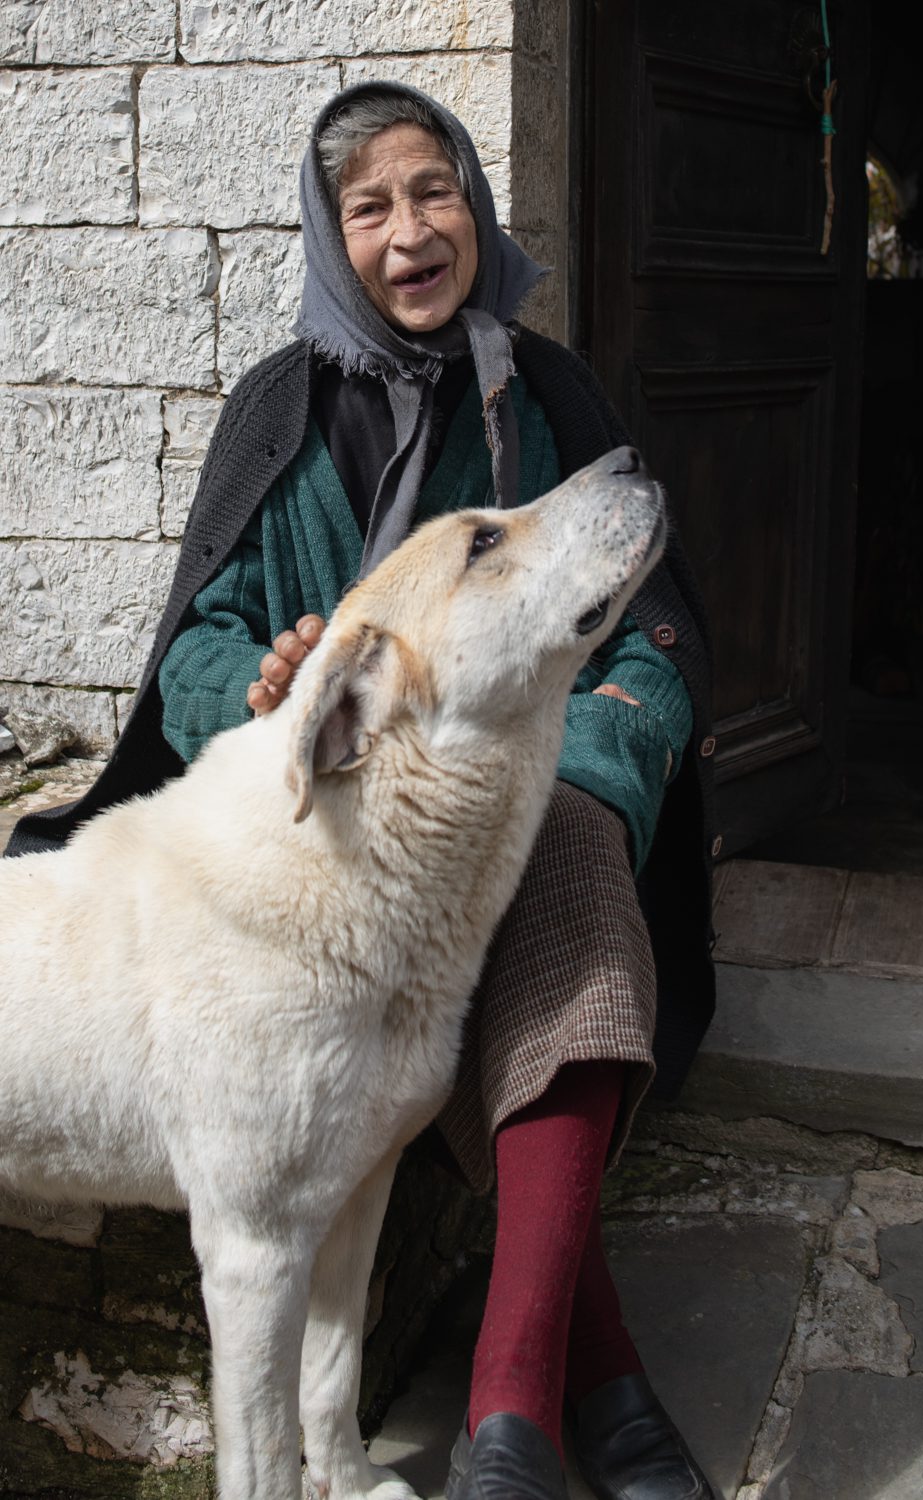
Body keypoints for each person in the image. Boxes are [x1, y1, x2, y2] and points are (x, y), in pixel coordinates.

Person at [6, 81, 718, 1500]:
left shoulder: (549, 393)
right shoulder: (282, 409)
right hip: (344, 842)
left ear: (477, 203)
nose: (411, 233)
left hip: (531, 814)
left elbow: (654, 647)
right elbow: (199, 645)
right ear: (335, 239)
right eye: (372, 207)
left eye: (435, 191)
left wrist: (570, 776)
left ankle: (514, 1414)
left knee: (572, 874)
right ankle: (598, 1383)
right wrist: (265, 687)